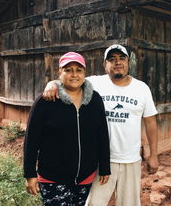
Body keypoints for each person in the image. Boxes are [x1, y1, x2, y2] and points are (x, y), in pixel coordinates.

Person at [43, 44, 158, 206]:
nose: (117, 62)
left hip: (131, 159)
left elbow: (151, 122)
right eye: (112, 59)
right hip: (99, 160)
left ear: (128, 62)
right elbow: (70, 79)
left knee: (129, 203)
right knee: (93, 203)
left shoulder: (142, 88)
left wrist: (153, 154)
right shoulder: (94, 83)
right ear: (105, 65)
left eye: (121, 58)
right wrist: (52, 84)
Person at [23, 52, 110, 206]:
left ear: (84, 73)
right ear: (60, 73)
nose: (74, 74)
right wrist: (30, 174)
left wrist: (104, 166)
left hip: (85, 176)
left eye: (78, 70)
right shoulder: (45, 101)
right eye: (68, 70)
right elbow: (31, 140)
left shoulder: (95, 100)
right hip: (53, 177)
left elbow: (102, 135)